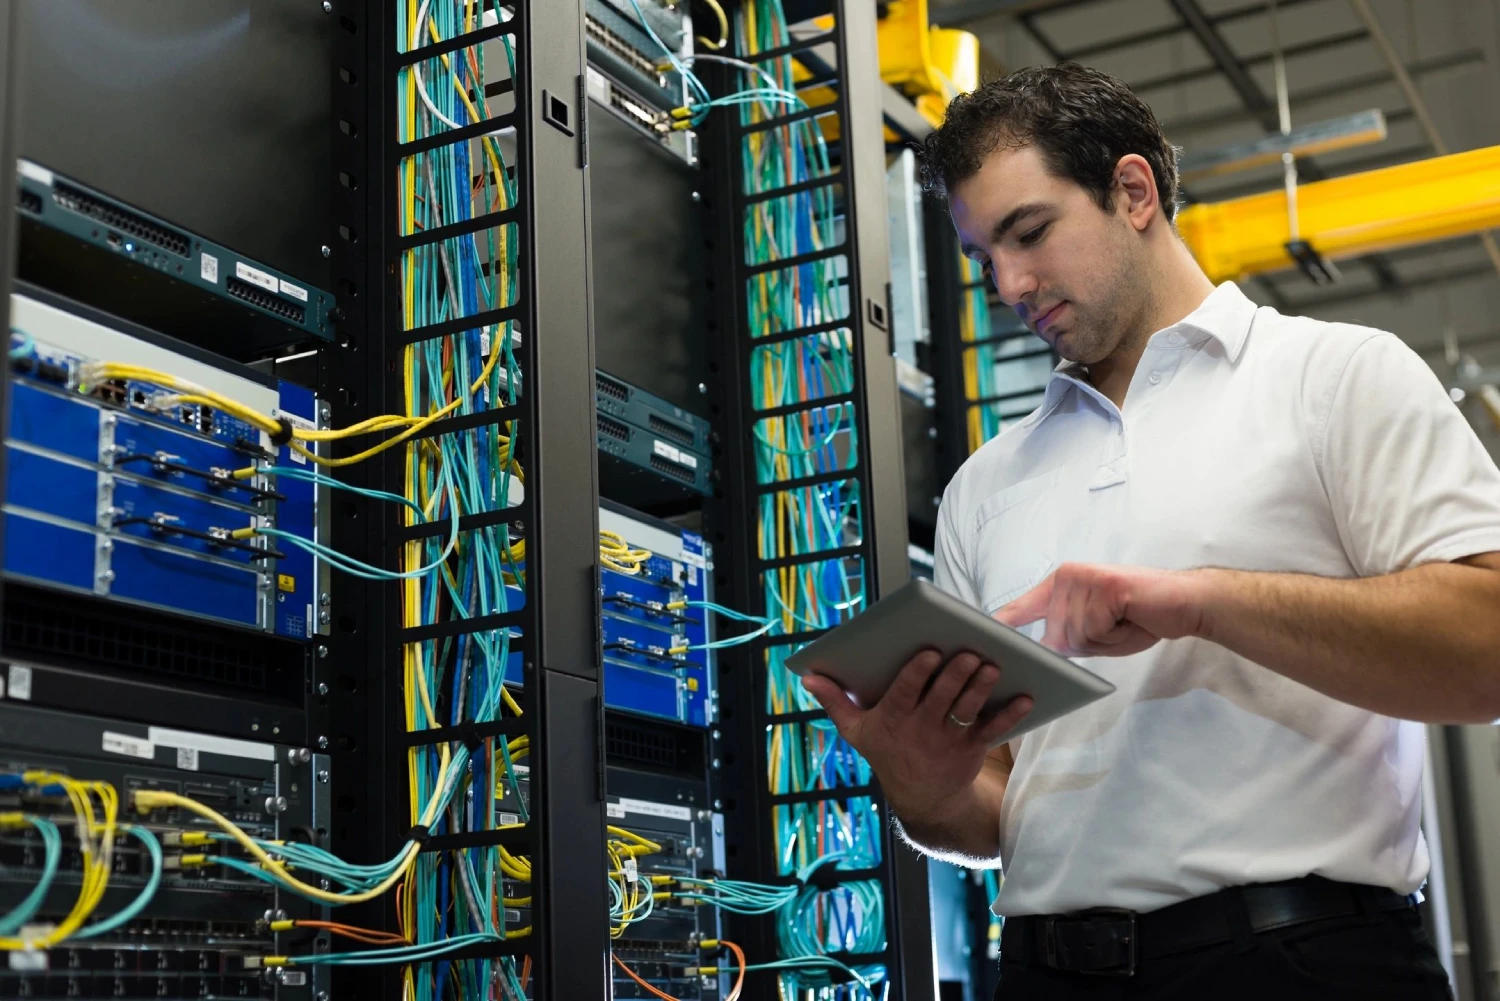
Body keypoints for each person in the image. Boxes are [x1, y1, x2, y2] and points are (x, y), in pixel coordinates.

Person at [800, 62, 1500, 1000]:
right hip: (1048, 972)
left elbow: (1486, 648)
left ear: (1132, 191)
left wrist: (1202, 601)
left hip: (1302, 963)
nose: (1009, 282)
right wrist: (926, 784)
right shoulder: (983, 487)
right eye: (982, 258)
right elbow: (1000, 806)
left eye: (1030, 232)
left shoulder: (1333, 378)